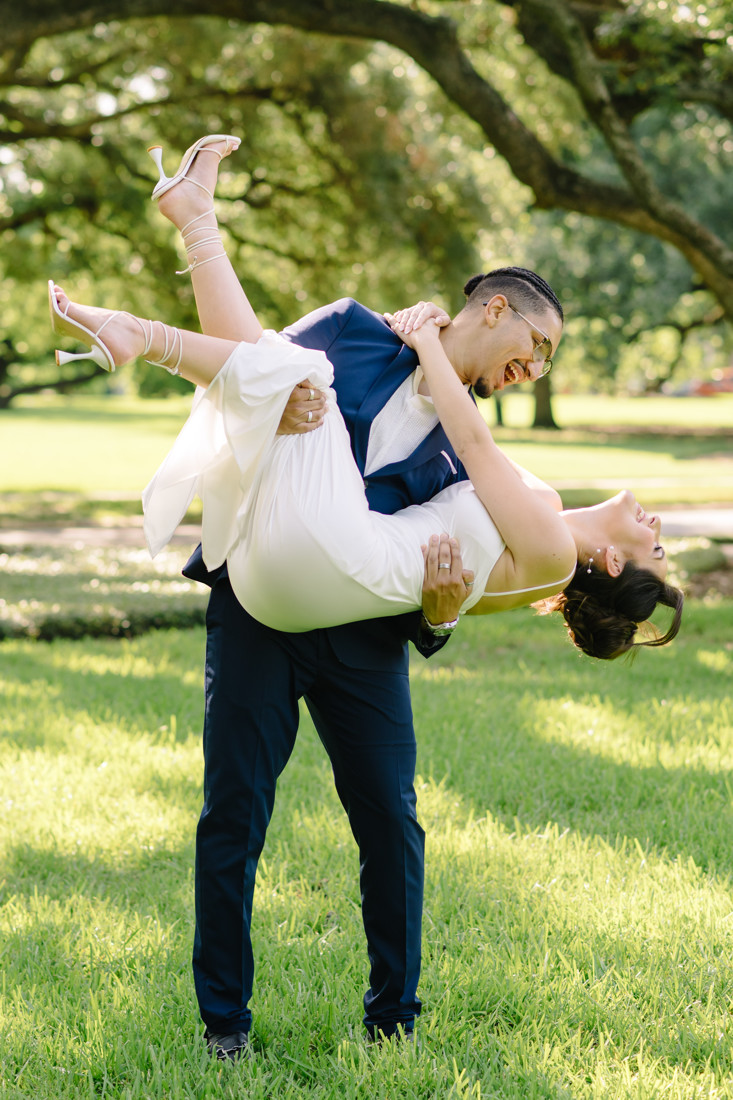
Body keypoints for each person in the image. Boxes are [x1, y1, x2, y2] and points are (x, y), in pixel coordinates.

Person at [48, 135, 682, 1058]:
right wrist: (283, 412)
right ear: (493, 309)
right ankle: (224, 1026)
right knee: (233, 813)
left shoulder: (468, 444)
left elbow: (463, 573)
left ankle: (393, 1020)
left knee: (391, 824)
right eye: (535, 347)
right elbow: (243, 373)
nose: (534, 370)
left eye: (545, 364)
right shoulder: (351, 330)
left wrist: (440, 612)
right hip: (260, 608)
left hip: (367, 641)